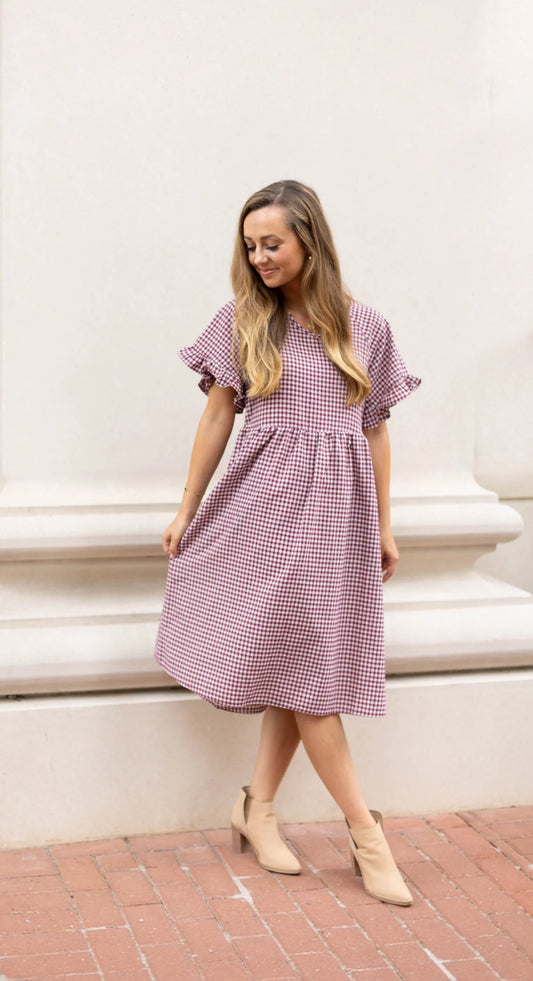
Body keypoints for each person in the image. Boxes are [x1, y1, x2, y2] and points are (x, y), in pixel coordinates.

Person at [154, 179, 421, 907]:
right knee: (305, 673)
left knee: (298, 666)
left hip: (336, 516)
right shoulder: (244, 320)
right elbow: (215, 419)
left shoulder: (366, 327)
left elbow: (375, 428)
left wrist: (384, 523)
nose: (259, 256)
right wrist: (187, 508)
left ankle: (256, 806)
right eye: (250, 245)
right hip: (262, 509)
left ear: (309, 238)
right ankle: (367, 835)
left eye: (271, 242)